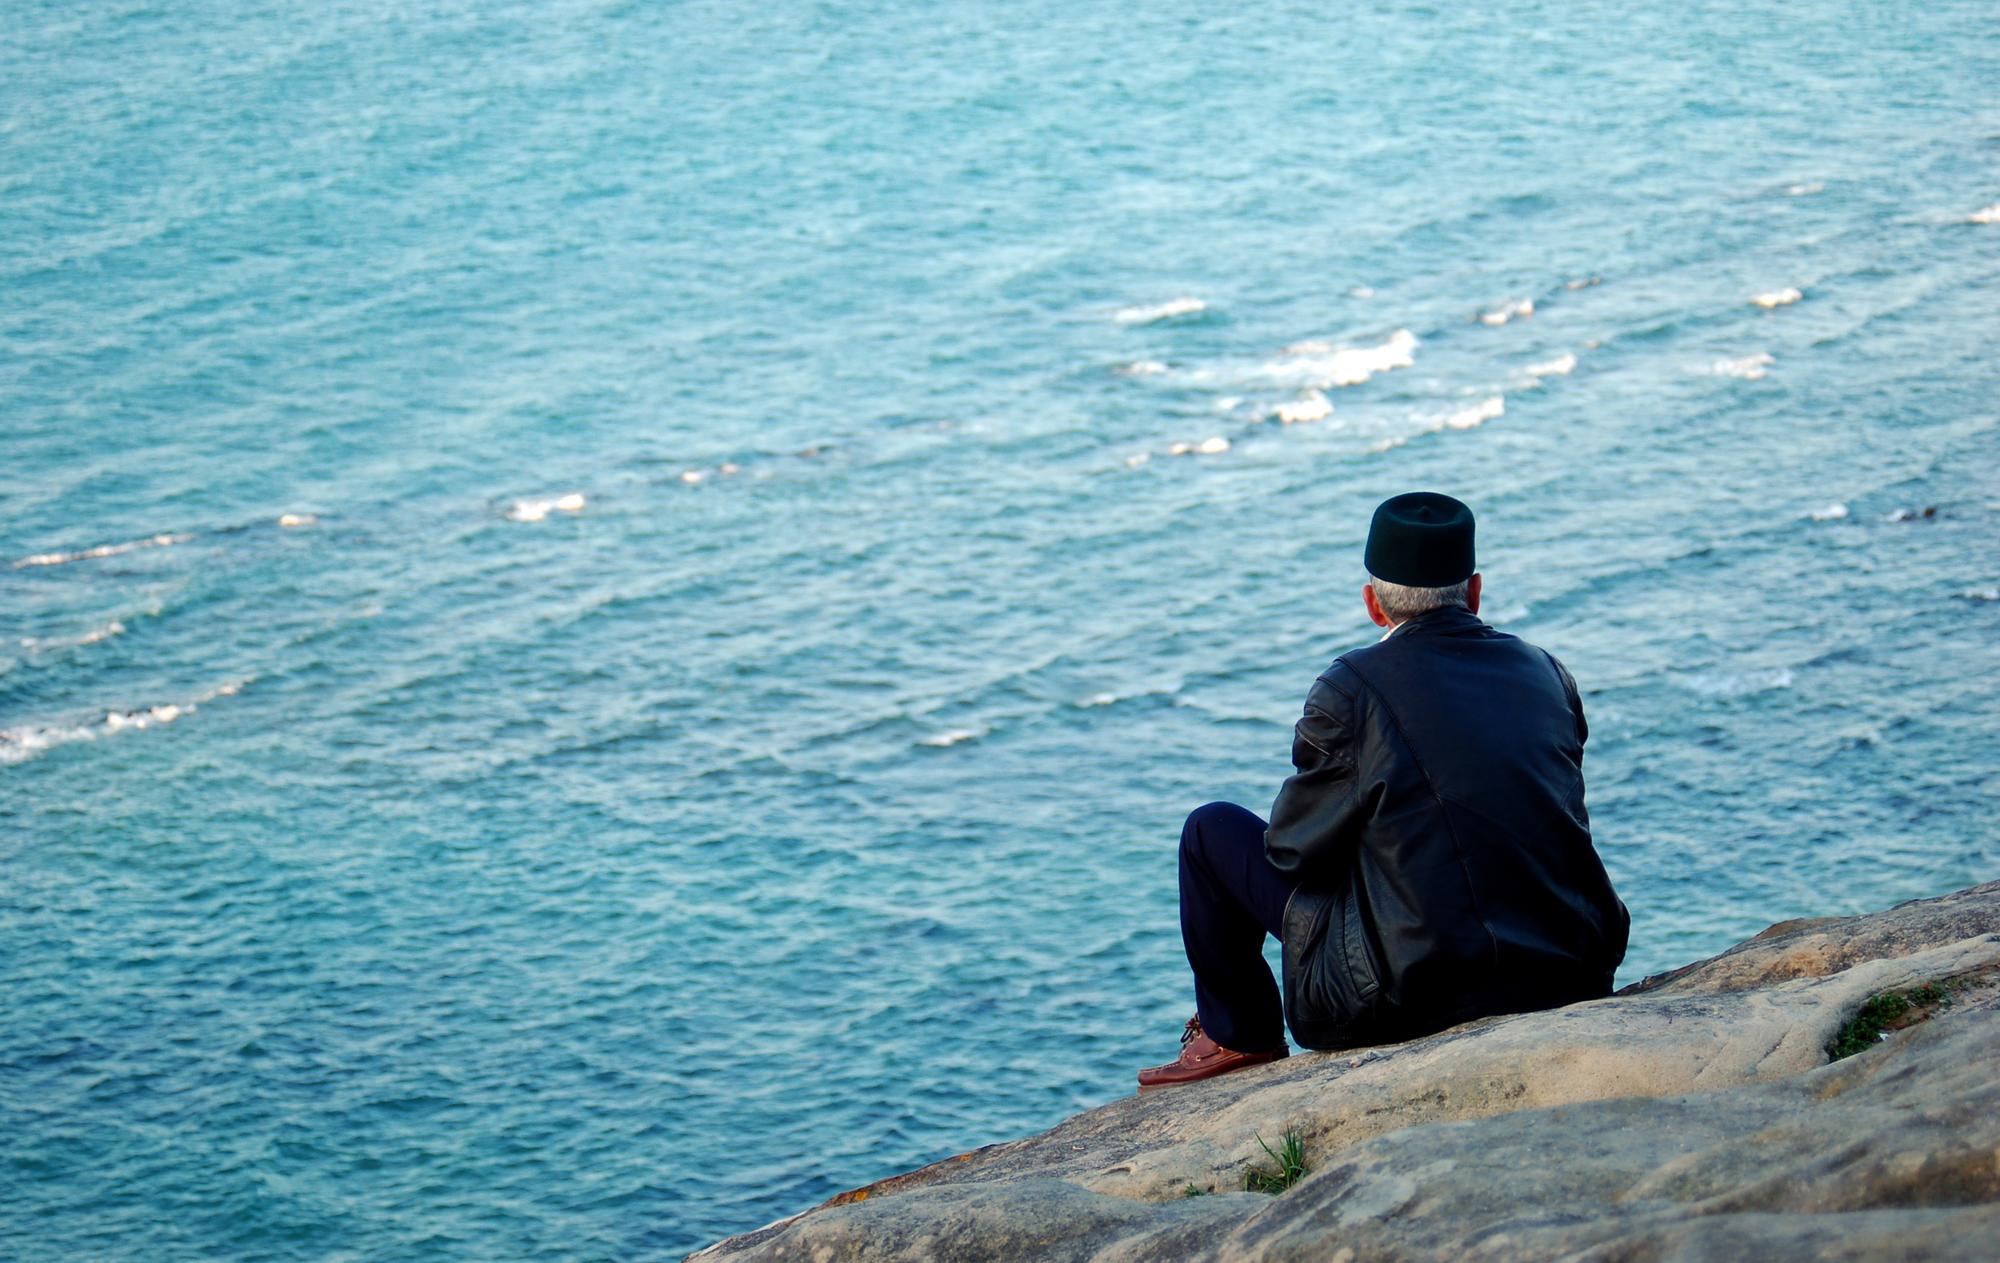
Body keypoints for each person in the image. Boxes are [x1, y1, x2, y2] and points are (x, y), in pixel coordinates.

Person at [1138, 492, 1629, 1089]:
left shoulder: (1350, 688)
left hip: (1409, 995)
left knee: (1210, 830)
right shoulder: (1547, 672)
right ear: (1473, 591)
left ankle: (1239, 1035)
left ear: (1373, 604)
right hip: (1569, 967)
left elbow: (1293, 849)